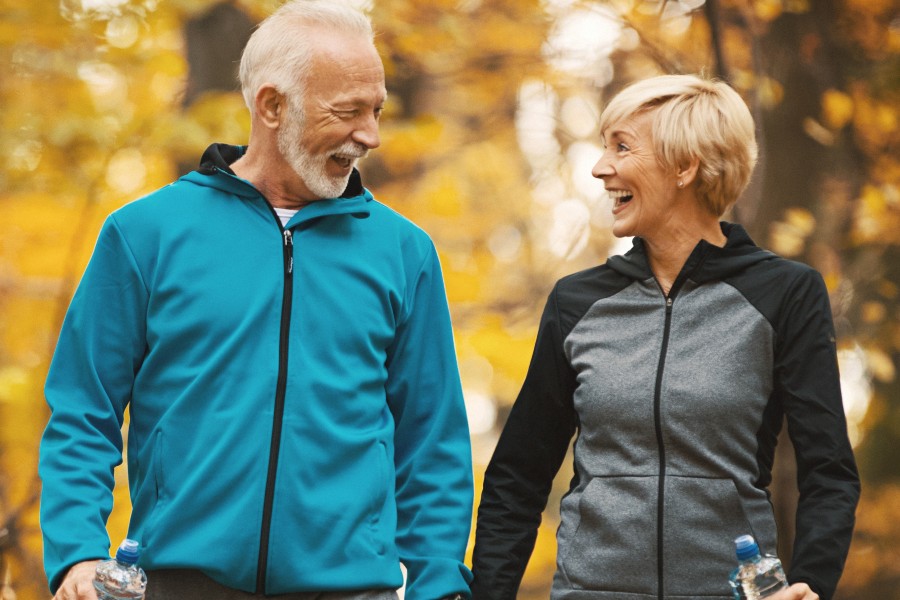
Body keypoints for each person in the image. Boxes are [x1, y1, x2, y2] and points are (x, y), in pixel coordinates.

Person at [38, 2, 473, 599]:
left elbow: (432, 442)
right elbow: (83, 410)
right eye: (347, 112)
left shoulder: (405, 252)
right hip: (176, 585)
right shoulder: (145, 233)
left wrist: (440, 584)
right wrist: (77, 553)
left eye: (376, 110)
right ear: (271, 106)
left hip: (354, 590)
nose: (369, 135)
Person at [470, 74, 860, 600]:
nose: (599, 167)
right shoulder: (577, 302)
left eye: (622, 147)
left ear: (685, 166)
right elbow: (517, 478)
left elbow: (829, 471)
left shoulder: (785, 294)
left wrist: (811, 582)